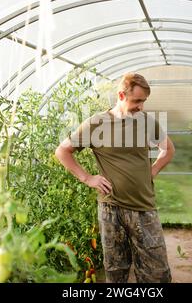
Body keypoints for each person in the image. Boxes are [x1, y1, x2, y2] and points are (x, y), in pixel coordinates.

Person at [55, 72, 175, 283]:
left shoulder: (147, 122)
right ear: (121, 95)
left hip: (144, 208)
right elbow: (63, 151)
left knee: (157, 272)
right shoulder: (97, 124)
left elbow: (168, 150)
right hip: (111, 209)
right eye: (137, 101)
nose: (141, 106)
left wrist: (153, 171)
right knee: (116, 270)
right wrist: (87, 178)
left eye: (144, 101)